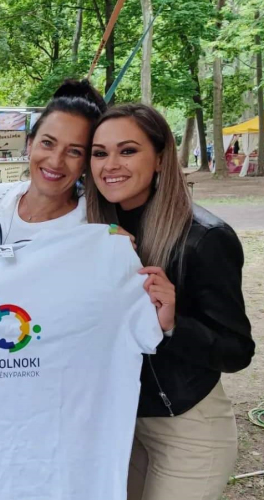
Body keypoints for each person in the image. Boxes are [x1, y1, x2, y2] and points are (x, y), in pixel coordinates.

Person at [85, 103, 255, 500]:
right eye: (99, 153)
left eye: (128, 150)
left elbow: (237, 352)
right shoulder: (93, 228)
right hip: (120, 425)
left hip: (187, 430)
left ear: (161, 158)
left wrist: (173, 325)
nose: (111, 165)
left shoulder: (205, 237)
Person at [0, 80, 107, 246]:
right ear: (30, 144)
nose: (55, 161)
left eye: (74, 151)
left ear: (86, 162)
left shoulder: (93, 230)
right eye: (47, 143)